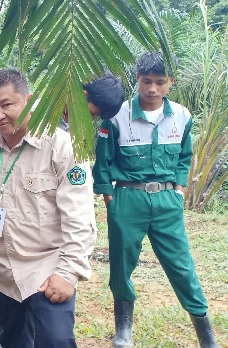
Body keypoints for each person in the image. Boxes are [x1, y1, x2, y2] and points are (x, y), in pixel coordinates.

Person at [93, 52, 219, 348]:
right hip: (127, 199)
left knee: (181, 266)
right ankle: (123, 331)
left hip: (166, 202)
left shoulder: (182, 116)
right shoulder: (117, 116)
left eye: (160, 82)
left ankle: (206, 335)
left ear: (170, 82)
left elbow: (185, 158)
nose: (152, 89)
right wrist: (110, 197)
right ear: (137, 79)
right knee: (121, 266)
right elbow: (103, 160)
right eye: (146, 81)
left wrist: (179, 189)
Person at [0, 68, 97, 348]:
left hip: (47, 270)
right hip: (2, 273)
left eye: (7, 105)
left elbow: (79, 218)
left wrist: (68, 273)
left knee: (56, 341)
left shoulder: (63, 147)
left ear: (29, 100)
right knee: (13, 341)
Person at [58, 72, 126, 132]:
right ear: (83, 95)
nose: (91, 119)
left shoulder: (82, 131)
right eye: (91, 113)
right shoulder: (49, 109)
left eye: (97, 116)